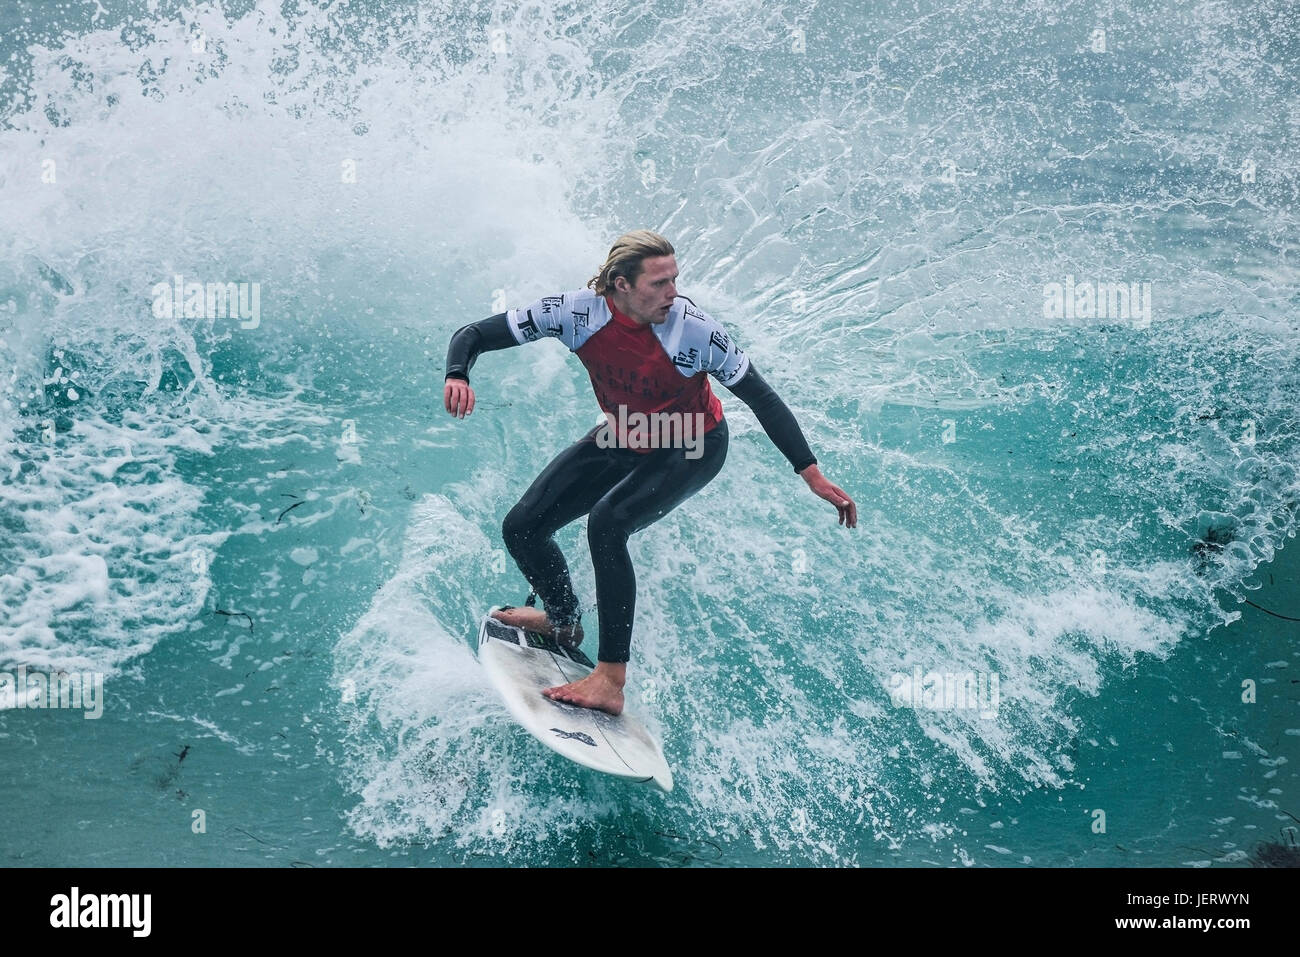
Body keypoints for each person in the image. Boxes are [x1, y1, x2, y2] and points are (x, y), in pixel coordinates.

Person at [444, 230, 856, 715]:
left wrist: (809, 473)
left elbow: (761, 396)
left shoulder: (693, 330)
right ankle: (562, 622)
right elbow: (474, 335)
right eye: (659, 283)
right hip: (629, 432)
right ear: (620, 285)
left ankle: (610, 680)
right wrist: (457, 373)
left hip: (693, 443)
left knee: (608, 523)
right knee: (523, 527)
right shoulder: (575, 313)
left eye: (675, 280)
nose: (673, 293)